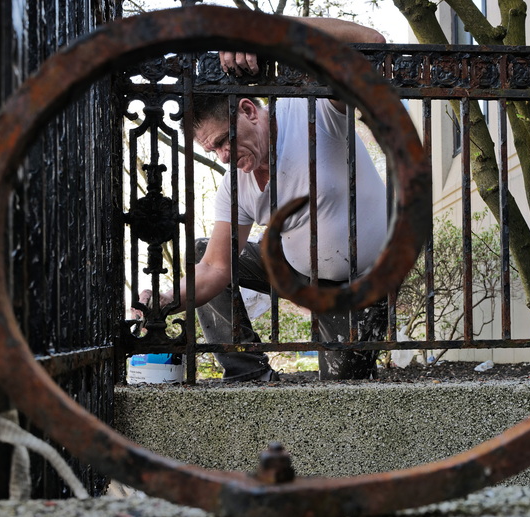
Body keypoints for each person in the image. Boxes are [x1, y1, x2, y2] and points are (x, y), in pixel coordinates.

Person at [142, 17, 389, 382]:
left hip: (356, 285)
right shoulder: (236, 184)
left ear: (248, 110)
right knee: (202, 252)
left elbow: (372, 43)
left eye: (225, 141)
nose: (223, 156)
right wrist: (164, 299)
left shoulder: (315, 111)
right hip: (291, 269)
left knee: (343, 390)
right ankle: (247, 372)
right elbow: (215, 269)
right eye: (213, 151)